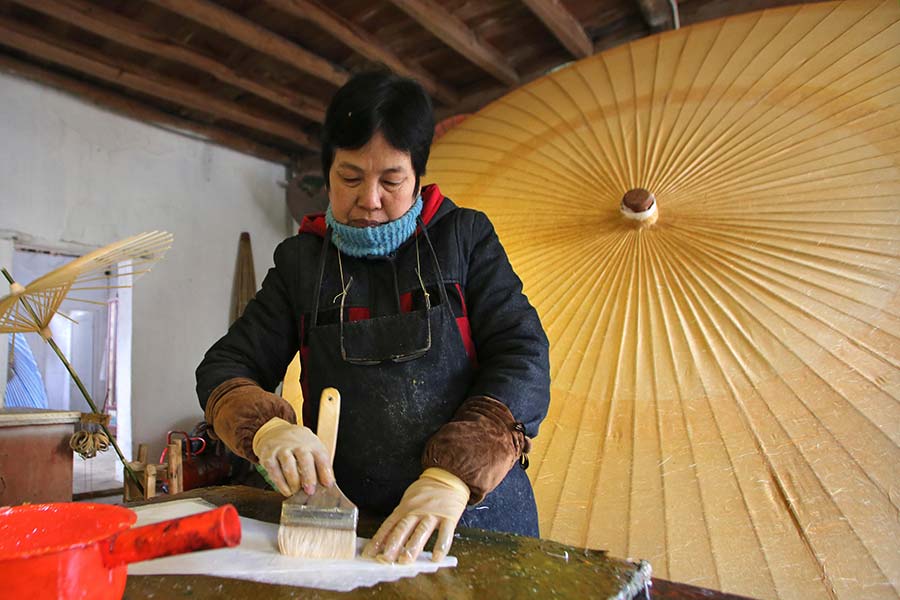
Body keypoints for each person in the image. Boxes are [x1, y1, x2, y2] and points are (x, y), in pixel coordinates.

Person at [196, 70, 550, 564]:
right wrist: (267, 428)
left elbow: (524, 358)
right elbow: (225, 367)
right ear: (328, 173)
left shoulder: (465, 239)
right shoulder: (302, 264)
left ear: (418, 177)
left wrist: (455, 472)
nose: (370, 198)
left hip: (475, 518)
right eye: (350, 177)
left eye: (391, 180)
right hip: (348, 525)